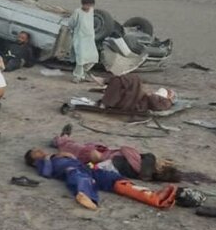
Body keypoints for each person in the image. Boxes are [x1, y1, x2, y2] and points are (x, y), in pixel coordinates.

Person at [24, 148, 177, 211]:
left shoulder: (55, 156)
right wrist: (48, 158)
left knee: (114, 180)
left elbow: (77, 160)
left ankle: (154, 197)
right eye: (36, 152)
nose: (40, 151)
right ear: (33, 161)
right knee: (80, 178)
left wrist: (68, 155)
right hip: (72, 170)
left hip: (87, 168)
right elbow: (46, 173)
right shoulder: (42, 163)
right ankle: (87, 197)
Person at [51, 123, 182, 182]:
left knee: (80, 149)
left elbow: (126, 149)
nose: (162, 162)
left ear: (160, 169)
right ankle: (64, 140)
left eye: (164, 164)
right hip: (106, 160)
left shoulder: (145, 162)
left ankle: (61, 140)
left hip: (102, 159)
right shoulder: (146, 173)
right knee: (85, 148)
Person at [100, 74, 175, 113]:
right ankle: (107, 99)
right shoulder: (162, 98)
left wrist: (151, 95)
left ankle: (105, 82)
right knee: (124, 83)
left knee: (134, 79)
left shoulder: (167, 102)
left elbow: (156, 106)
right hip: (136, 100)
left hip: (136, 104)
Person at [68, 0, 98, 83]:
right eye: (86, 5)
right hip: (80, 39)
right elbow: (71, 23)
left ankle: (83, 74)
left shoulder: (92, 11)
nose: (88, 7)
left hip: (90, 39)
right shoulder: (77, 12)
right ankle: (77, 76)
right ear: (83, 4)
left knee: (93, 58)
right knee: (81, 60)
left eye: (90, 5)